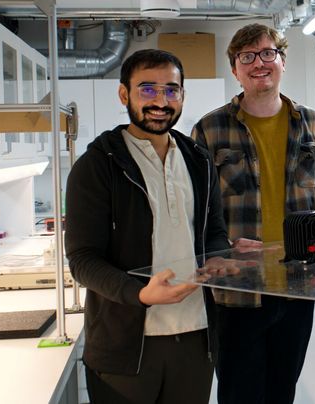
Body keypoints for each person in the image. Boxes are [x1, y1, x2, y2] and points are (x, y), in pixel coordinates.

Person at [65, 49, 231, 404]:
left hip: (196, 335)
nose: (161, 101)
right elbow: (82, 260)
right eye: (148, 89)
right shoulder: (97, 165)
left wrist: (220, 256)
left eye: (171, 90)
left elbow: (214, 231)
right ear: (124, 94)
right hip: (124, 344)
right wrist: (139, 294)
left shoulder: (199, 160)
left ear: (183, 95)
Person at [191, 23, 315, 404]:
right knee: (238, 394)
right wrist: (224, 246)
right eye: (247, 57)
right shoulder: (209, 130)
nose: (259, 63)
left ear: (282, 60)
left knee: (282, 391)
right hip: (238, 291)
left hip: (298, 285)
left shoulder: (314, 125)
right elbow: (195, 210)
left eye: (267, 53)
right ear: (235, 69)